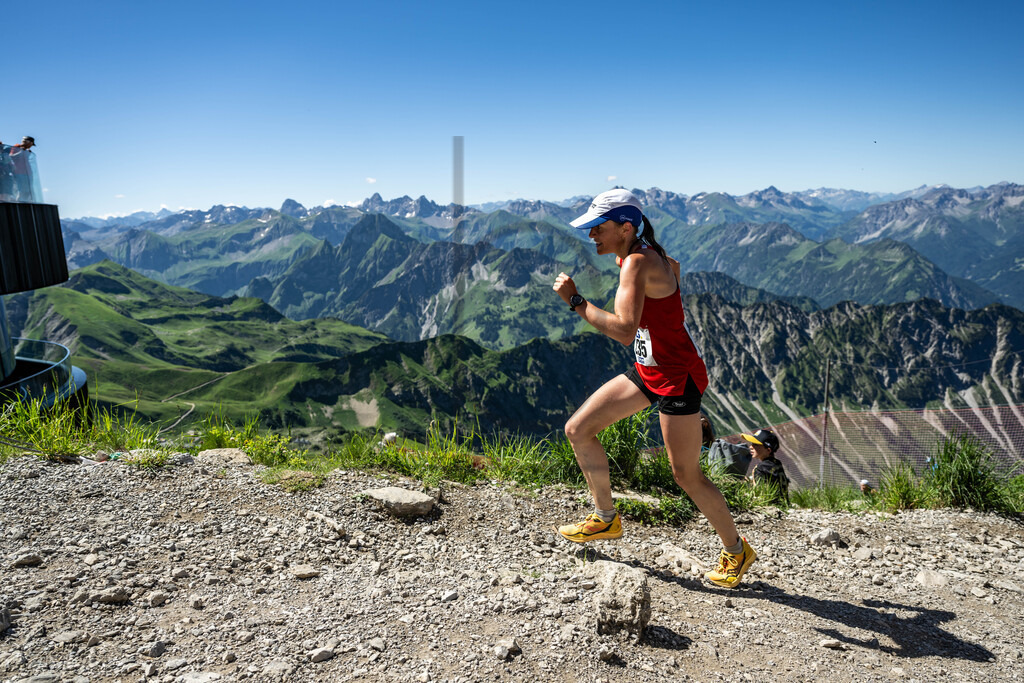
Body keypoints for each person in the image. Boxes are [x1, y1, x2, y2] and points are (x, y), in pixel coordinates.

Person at [552, 188, 756, 589]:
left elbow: (627, 331)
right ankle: (605, 519)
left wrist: (575, 300)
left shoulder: (636, 262)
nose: (591, 234)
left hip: (677, 377)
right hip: (650, 372)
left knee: (685, 474)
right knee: (578, 429)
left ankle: (736, 549)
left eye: (598, 227)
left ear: (625, 228)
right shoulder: (638, 255)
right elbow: (672, 272)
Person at [743, 428, 789, 502]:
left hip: (771, 506)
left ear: (768, 450)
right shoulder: (777, 463)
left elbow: (761, 494)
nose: (751, 447)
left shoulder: (760, 468)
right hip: (784, 503)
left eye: (756, 445)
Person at [9, 136, 36, 201]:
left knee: (28, 191)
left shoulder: (27, 150)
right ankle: (18, 203)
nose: (31, 146)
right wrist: (21, 152)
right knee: (21, 191)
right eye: (31, 144)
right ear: (28, 142)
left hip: (28, 173)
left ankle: (25, 203)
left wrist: (28, 154)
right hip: (19, 173)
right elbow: (11, 156)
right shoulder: (17, 147)